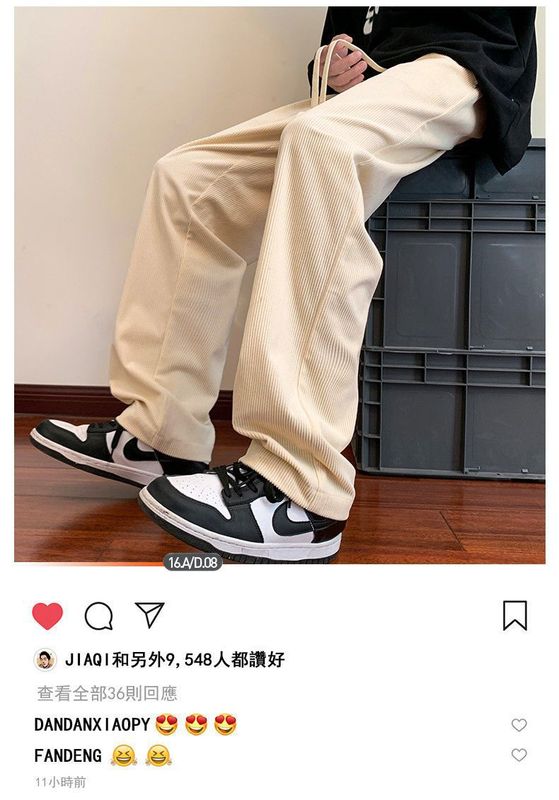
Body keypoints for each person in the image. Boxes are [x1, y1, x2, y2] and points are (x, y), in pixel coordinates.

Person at [30, 7, 537, 563]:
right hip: (379, 79)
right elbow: (347, 31)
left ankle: (302, 488)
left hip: (465, 67)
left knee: (322, 141)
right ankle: (161, 433)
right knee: (189, 180)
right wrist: (329, 64)